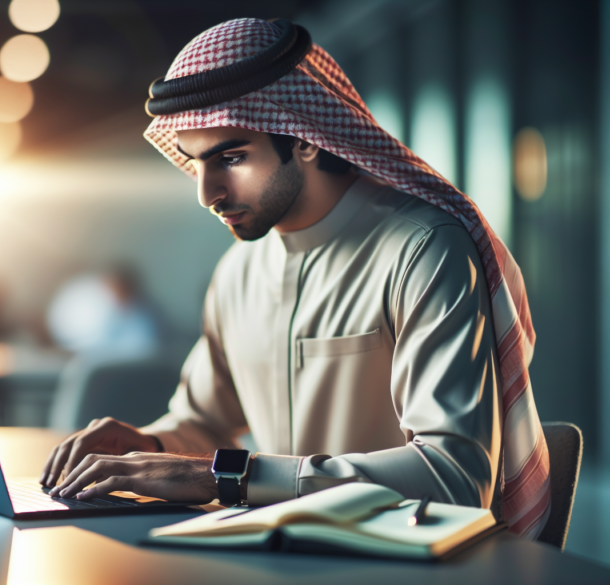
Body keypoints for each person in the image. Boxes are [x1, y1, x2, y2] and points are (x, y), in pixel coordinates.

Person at [40, 18, 551, 538]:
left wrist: (230, 479)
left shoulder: (423, 249)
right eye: (196, 164)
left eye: (231, 157)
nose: (207, 193)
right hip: (271, 552)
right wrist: (146, 447)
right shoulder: (238, 271)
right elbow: (203, 423)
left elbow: (455, 480)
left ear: (305, 137)